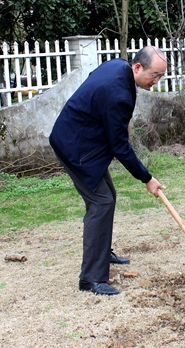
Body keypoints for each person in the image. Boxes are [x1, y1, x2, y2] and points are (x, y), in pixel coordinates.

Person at [49, 46, 166, 296]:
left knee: (107, 196)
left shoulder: (117, 66)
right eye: (154, 75)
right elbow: (120, 147)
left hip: (83, 140)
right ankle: (91, 279)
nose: (156, 81)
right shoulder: (119, 95)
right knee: (101, 202)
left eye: (161, 76)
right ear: (137, 67)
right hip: (75, 148)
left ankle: (102, 251)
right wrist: (147, 178)